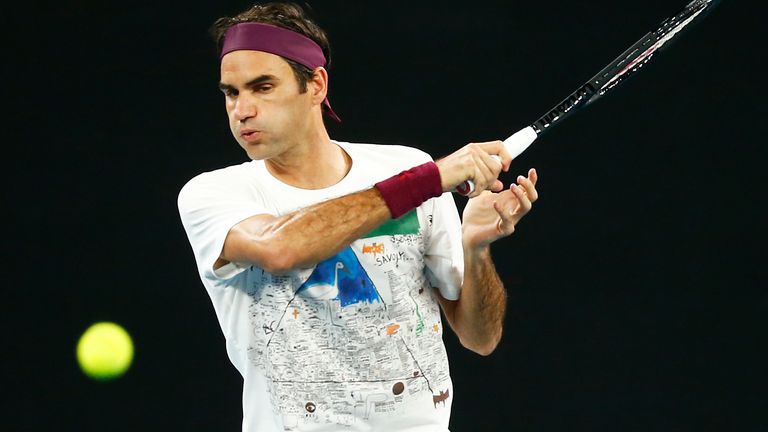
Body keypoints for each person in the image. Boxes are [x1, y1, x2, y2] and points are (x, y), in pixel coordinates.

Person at [177, 2, 539, 431]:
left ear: (315, 85)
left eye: (263, 87)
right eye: (231, 93)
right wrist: (429, 179)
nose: (242, 110)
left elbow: (480, 339)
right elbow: (279, 248)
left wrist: (475, 246)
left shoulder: (409, 168)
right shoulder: (214, 194)